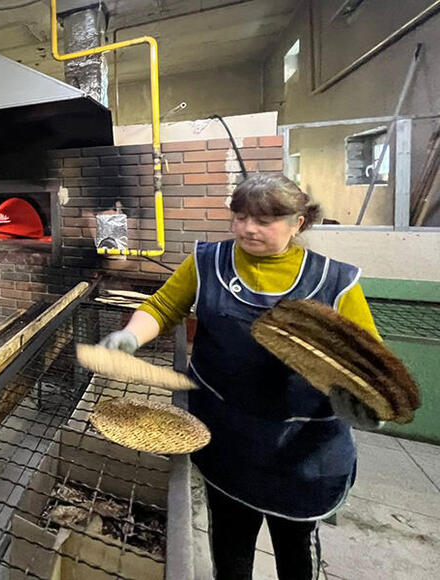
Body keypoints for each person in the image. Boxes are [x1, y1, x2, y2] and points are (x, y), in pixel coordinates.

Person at [95, 174, 381, 580]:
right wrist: (130, 335)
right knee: (230, 545)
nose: (247, 228)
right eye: (241, 216)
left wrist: (363, 399)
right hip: (229, 440)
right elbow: (162, 307)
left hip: (301, 453)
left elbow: (369, 366)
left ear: (298, 222)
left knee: (294, 549)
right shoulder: (209, 261)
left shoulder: (333, 282)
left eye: (264, 221)